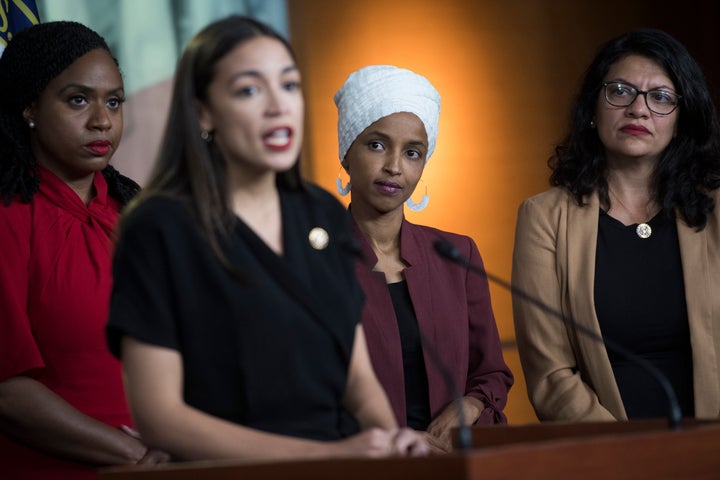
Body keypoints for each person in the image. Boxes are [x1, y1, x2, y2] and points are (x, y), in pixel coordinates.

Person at [106, 16, 428, 461]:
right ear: (202, 111)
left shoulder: (322, 214)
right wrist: (324, 456)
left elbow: (358, 380)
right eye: (250, 90)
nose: (279, 106)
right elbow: (159, 416)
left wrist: (392, 439)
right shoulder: (159, 227)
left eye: (289, 86)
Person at [512, 28, 720, 422]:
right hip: (607, 455)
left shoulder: (716, 211)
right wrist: (624, 455)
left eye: (660, 97)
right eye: (620, 91)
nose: (638, 109)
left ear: (682, 118)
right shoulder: (544, 218)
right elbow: (551, 376)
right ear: (593, 108)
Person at [0, 21, 168, 478]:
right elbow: (7, 390)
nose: (102, 120)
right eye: (78, 100)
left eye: (114, 101)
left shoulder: (139, 212)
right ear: (30, 107)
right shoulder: (10, 219)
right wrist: (134, 454)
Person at [334, 65, 514, 452]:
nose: (394, 167)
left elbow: (492, 373)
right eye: (377, 145)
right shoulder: (314, 262)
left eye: (412, 152)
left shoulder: (456, 254)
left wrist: (471, 403)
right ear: (346, 152)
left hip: (452, 461)